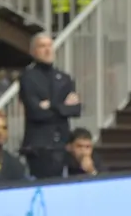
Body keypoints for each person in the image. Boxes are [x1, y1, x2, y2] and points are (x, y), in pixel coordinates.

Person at [19, 33, 81, 179]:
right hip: (39, 148)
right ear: (33, 51)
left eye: (50, 45)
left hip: (62, 145)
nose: (47, 50)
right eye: (42, 46)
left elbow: (76, 109)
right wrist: (62, 107)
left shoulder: (64, 78)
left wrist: (50, 105)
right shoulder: (28, 78)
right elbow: (36, 112)